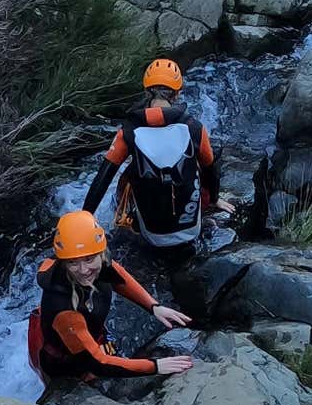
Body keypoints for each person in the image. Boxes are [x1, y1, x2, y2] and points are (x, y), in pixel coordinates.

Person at [80, 57, 234, 256]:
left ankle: (130, 220)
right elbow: (210, 169)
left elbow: (102, 179)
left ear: (146, 92)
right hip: (191, 231)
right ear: (177, 94)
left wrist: (84, 220)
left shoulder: (128, 132)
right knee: (201, 161)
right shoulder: (195, 128)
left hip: (151, 234)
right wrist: (214, 199)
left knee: (130, 170)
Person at [28, 210, 196, 382]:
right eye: (73, 262)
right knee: (90, 375)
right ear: (63, 261)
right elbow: (98, 363)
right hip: (65, 359)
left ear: (101, 253)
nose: (83, 270)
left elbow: (117, 277)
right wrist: (155, 366)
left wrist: (154, 307)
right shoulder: (64, 310)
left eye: (88, 259)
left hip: (84, 333)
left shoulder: (99, 262)